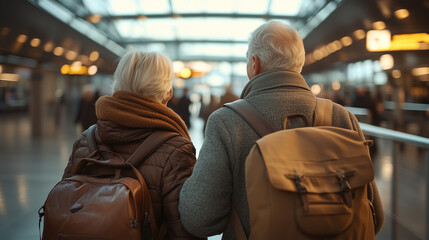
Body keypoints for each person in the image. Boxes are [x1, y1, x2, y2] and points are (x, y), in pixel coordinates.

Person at [179, 21, 384, 239]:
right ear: (299, 64)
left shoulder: (227, 122)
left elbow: (199, 218)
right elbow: (375, 216)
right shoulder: (341, 117)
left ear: (254, 64)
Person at [63, 51, 204, 240]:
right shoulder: (176, 149)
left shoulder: (85, 140)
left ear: (118, 85)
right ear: (168, 94)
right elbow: (183, 231)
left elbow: (64, 204)